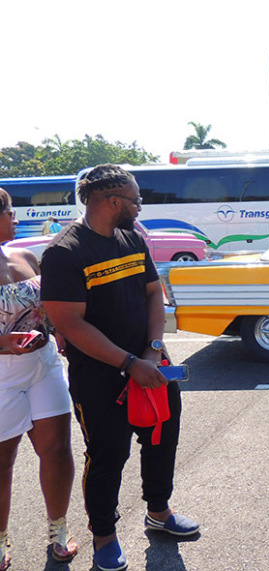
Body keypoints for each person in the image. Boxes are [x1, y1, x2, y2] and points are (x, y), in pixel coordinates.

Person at [40, 165, 199, 571]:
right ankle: (104, 537)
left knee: (161, 438)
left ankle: (158, 512)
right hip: (100, 377)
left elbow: (153, 294)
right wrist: (128, 363)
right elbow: (70, 324)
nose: (140, 206)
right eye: (136, 199)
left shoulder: (132, 238)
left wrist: (153, 350)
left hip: (151, 364)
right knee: (107, 456)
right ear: (113, 201)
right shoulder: (64, 252)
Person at [0, 188, 78, 571]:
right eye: (9, 211)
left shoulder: (26, 257)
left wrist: (57, 328)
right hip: (1, 376)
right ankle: (0, 539)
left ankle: (58, 530)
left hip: (43, 366)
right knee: (2, 460)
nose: (15, 217)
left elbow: (49, 306)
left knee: (58, 451)